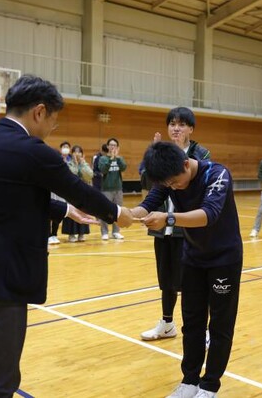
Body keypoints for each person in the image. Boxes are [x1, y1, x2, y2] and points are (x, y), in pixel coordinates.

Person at [0, 75, 133, 398]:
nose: (52, 129)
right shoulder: (31, 150)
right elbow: (79, 190)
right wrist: (118, 213)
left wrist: (64, 211)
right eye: (53, 120)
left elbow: (2, 198)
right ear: (39, 111)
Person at [132, 141, 242, 398]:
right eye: (167, 184)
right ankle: (189, 381)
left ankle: (210, 385)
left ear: (185, 164)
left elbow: (208, 214)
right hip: (192, 258)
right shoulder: (169, 179)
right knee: (192, 323)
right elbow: (148, 203)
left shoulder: (217, 174)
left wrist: (168, 218)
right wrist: (124, 214)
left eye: (174, 182)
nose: (173, 187)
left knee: (220, 325)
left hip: (224, 260)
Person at [140, 106, 210, 342]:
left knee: (193, 283)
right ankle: (167, 323)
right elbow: (148, 185)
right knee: (166, 280)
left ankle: (203, 329)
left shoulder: (201, 154)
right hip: (163, 229)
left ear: (191, 129)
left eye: (181, 124)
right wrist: (152, 159)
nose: (176, 128)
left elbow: (199, 186)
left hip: (186, 228)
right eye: (172, 124)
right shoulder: (161, 153)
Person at [63, 145, 93, 242]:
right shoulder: (68, 164)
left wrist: (82, 164)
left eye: (79, 152)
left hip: (83, 193)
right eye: (75, 151)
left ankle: (81, 233)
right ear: (72, 154)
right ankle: (71, 234)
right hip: (71, 193)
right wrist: (76, 165)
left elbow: (89, 175)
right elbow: (71, 176)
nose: (77, 153)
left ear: (82, 154)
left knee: (83, 212)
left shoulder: (85, 164)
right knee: (72, 212)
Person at [98, 138, 127, 240]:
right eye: (111, 145)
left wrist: (117, 158)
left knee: (118, 211)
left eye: (114, 145)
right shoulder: (103, 159)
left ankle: (116, 232)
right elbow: (103, 170)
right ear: (107, 146)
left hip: (118, 189)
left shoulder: (119, 159)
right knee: (104, 211)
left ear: (117, 147)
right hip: (106, 189)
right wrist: (111, 159)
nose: (112, 147)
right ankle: (104, 232)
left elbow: (123, 167)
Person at [48, 141, 72, 245]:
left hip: (59, 192)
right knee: (48, 214)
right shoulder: (47, 166)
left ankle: (54, 234)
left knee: (57, 214)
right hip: (50, 191)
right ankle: (48, 235)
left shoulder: (63, 165)